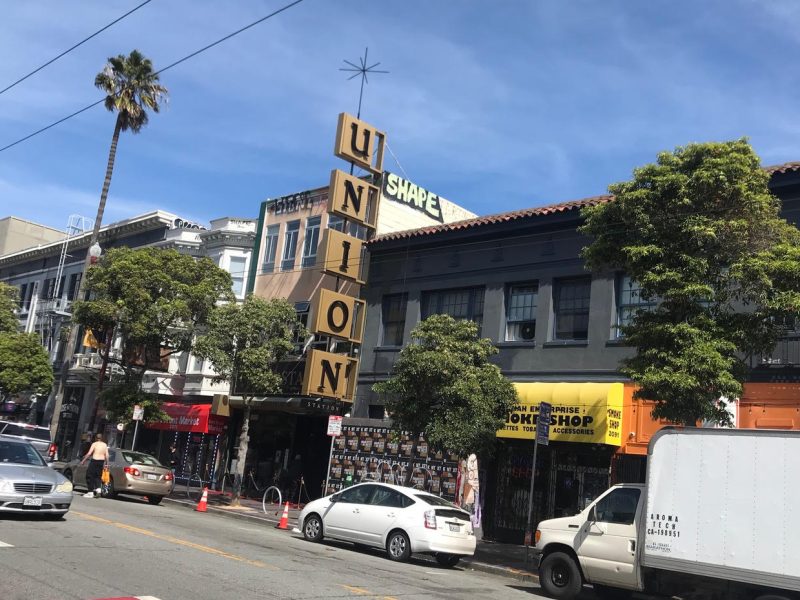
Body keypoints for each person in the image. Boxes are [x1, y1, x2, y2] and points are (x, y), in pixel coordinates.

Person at [80, 433, 109, 498]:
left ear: (96, 438)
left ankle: (90, 492)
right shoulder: (104, 445)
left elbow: (89, 453)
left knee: (89, 475)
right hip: (101, 461)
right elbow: (107, 455)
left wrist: (83, 461)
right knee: (98, 476)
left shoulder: (94, 444)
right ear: (102, 438)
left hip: (94, 461)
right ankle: (98, 489)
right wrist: (107, 464)